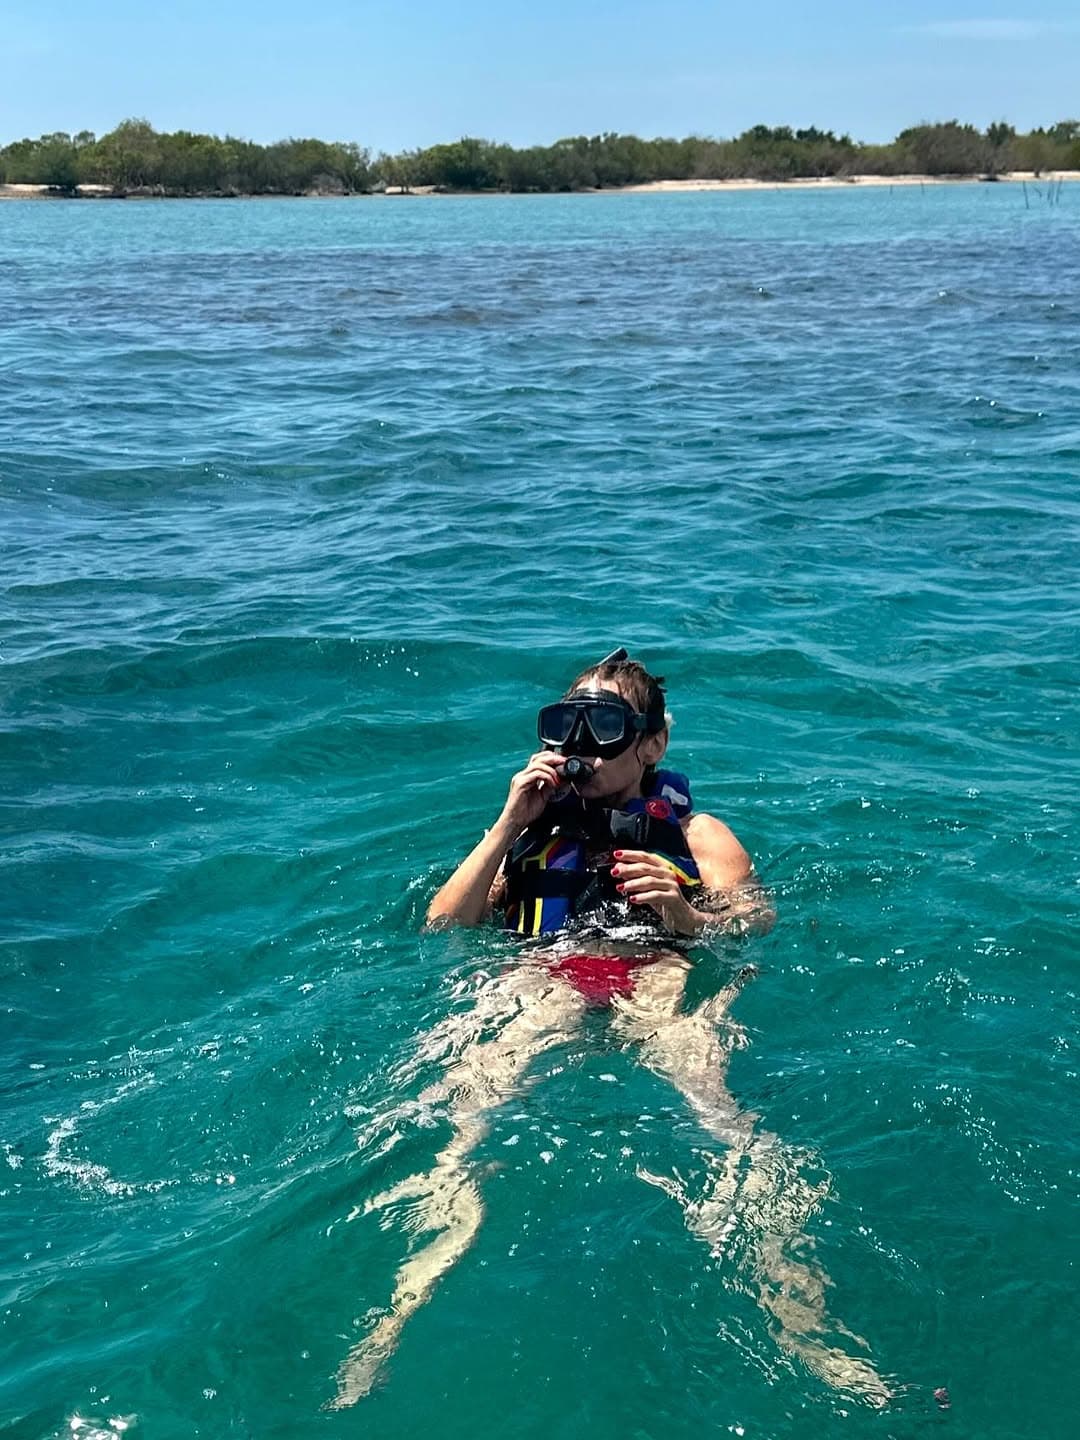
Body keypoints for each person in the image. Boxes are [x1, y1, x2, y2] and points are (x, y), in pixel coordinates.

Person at [329, 651, 890, 1408]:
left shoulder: (699, 834)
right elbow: (441, 926)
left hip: (658, 974)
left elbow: (754, 925)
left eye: (606, 728)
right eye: (567, 727)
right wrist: (505, 823)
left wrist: (685, 914)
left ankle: (803, 1318)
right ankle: (406, 1298)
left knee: (723, 1121)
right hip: (546, 976)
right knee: (463, 1116)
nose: (582, 748)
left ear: (652, 745)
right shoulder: (528, 835)